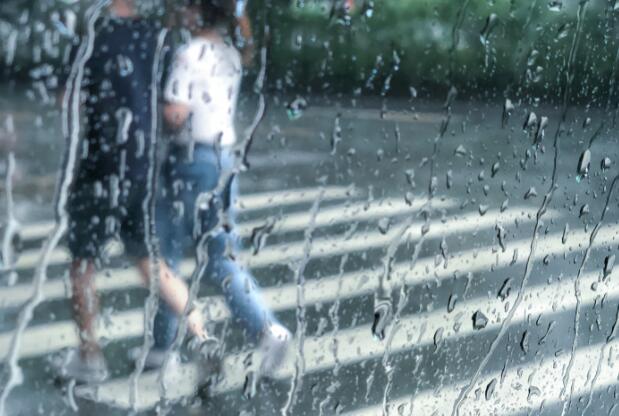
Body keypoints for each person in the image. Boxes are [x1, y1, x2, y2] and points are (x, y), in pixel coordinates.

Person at [56, 0, 211, 384]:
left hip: (98, 163)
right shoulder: (158, 36)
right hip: (142, 163)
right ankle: (204, 338)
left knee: (82, 264)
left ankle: (90, 356)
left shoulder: (93, 33)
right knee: (149, 259)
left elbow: (66, 99)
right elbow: (169, 102)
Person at [150, 0, 291, 377]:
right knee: (221, 256)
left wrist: (156, 111)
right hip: (223, 160)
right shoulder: (229, 53)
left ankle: (164, 347)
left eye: (186, 6)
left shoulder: (188, 54)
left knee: (165, 256)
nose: (180, 12)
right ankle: (267, 329)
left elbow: (176, 114)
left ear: (198, 13)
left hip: (188, 161)